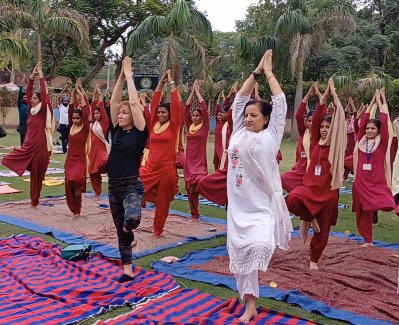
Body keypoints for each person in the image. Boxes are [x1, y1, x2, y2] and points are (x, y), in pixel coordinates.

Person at [227, 50, 292, 323]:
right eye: (247, 115)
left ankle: (252, 299)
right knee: (241, 258)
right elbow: (241, 97)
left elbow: (280, 102)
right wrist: (255, 71)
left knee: (260, 244)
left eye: (254, 115)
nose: (249, 118)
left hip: (262, 206)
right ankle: (250, 304)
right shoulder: (238, 131)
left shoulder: (272, 135)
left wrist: (269, 73)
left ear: (266, 118)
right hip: (238, 207)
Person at [285, 79, 347, 271]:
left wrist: (334, 95)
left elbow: (340, 118)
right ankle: (309, 215)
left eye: (328, 128)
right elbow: (318, 116)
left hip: (328, 193)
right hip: (309, 188)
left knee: (324, 230)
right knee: (291, 199)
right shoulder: (313, 142)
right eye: (322, 127)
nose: (324, 129)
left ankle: (314, 259)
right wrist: (323, 98)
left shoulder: (337, 146)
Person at [108, 56, 147, 283]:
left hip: (132, 185)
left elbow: (133, 104)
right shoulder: (118, 132)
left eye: (125, 113)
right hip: (114, 186)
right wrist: (120, 78)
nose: (120, 115)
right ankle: (127, 271)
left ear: (134, 116)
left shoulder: (140, 131)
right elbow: (114, 102)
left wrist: (130, 76)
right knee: (120, 230)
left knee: (130, 220)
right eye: (120, 114)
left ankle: (130, 231)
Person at [2, 62, 53, 207]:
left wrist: (41, 78)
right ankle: (34, 200)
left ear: (41, 101)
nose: (32, 99)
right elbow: (28, 92)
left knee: (36, 176)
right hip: (28, 147)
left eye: (35, 99)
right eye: (32, 99)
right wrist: (31, 78)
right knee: (8, 159)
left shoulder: (43, 110)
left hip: (39, 148)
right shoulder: (30, 110)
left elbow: (44, 94)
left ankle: (34, 201)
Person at [352, 88, 395, 246]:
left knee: (389, 204)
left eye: (373, 129)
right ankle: (368, 240)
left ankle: (377, 211)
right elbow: (362, 122)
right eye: (368, 129)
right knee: (362, 213)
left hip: (376, 182)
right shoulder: (360, 141)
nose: (369, 130)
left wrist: (381, 100)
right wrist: (371, 102)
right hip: (361, 182)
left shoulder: (382, 143)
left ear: (378, 132)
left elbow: (384, 123)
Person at [140, 69, 180, 238]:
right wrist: (160, 83)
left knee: (163, 203)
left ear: (170, 114)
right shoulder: (154, 123)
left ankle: (158, 230)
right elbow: (155, 102)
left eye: (164, 112)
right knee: (135, 186)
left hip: (166, 171)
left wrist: (171, 83)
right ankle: (147, 205)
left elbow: (177, 105)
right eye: (159, 112)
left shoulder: (174, 125)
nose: (161, 114)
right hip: (150, 167)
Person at [281, 82, 321, 192]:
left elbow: (323, 112)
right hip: (299, 171)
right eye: (309, 121)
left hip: (313, 171)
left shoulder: (320, 135)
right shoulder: (304, 132)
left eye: (314, 121)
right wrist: (307, 96)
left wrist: (320, 96)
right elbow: (299, 115)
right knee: (280, 179)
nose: (311, 123)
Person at [183, 80, 210, 219]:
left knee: (199, 183)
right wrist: (192, 93)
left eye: (197, 116)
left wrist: (198, 93)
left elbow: (205, 110)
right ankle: (194, 213)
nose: (194, 117)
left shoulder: (204, 128)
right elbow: (186, 109)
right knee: (189, 189)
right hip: (189, 163)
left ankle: (221, 198)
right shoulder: (190, 127)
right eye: (193, 116)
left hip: (199, 162)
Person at [64, 79, 90, 217]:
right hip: (69, 160)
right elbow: (70, 109)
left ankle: (78, 209)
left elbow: (86, 112)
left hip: (80, 161)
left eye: (77, 118)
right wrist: (74, 94)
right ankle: (74, 209)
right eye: (73, 118)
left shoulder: (85, 128)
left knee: (76, 181)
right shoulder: (71, 126)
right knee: (69, 184)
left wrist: (81, 94)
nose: (74, 120)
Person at [89, 85, 110, 196]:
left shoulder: (104, 122)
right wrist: (95, 93)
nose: (96, 114)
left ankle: (109, 170)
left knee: (103, 161)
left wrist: (100, 95)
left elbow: (101, 107)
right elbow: (93, 106)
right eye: (95, 113)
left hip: (102, 148)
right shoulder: (93, 122)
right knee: (93, 172)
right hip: (92, 149)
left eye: (98, 113)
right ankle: (97, 191)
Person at [213, 84, 235, 170]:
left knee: (225, 164)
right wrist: (221, 99)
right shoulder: (219, 122)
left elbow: (228, 111)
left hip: (224, 148)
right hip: (217, 146)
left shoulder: (229, 122)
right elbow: (219, 109)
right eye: (220, 113)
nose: (221, 114)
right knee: (217, 163)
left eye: (223, 113)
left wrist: (232, 95)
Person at [57, 87, 71, 153]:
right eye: (64, 101)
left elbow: (71, 97)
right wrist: (63, 90)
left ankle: (67, 148)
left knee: (69, 137)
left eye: (66, 101)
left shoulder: (69, 106)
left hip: (69, 124)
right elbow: (59, 97)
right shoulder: (61, 106)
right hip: (62, 124)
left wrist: (69, 90)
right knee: (63, 137)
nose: (65, 102)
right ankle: (64, 150)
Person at [17, 78, 29, 146]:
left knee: (29, 140)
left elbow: (31, 93)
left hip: (30, 125)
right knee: (23, 140)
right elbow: (19, 94)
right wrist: (22, 84)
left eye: (26, 97)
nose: (25, 98)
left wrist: (27, 84)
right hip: (22, 125)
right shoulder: (20, 105)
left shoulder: (30, 105)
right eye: (24, 97)